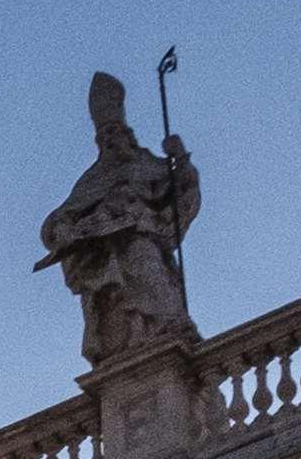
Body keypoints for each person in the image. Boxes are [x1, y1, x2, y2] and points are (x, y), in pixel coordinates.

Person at [37, 72, 198, 368]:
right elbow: (58, 220)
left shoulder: (148, 165)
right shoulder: (93, 179)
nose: (112, 141)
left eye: (116, 134)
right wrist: (65, 230)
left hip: (140, 237)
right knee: (122, 275)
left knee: (147, 267)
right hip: (110, 250)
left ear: (129, 136)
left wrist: (182, 158)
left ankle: (167, 327)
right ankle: (138, 337)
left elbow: (182, 189)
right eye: (105, 137)